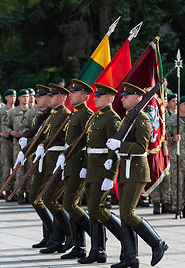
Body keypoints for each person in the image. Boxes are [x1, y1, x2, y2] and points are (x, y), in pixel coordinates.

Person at [107, 82, 168, 268]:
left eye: (126, 96)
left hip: (137, 170)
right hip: (125, 168)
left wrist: (120, 146)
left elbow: (142, 147)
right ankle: (130, 257)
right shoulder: (128, 118)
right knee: (124, 215)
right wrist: (113, 155)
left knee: (128, 212)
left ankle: (157, 243)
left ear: (137, 98)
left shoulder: (142, 119)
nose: (122, 99)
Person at [75, 83, 123, 264]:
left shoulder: (112, 119)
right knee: (92, 211)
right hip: (92, 169)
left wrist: (110, 175)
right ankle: (98, 250)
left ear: (109, 99)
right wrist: (86, 166)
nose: (94, 98)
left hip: (103, 169)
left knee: (96, 208)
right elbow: (90, 146)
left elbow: (114, 149)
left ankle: (127, 238)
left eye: (99, 96)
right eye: (95, 96)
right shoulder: (96, 117)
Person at [51, 79, 94, 260]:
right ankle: (78, 245)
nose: (71, 95)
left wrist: (84, 166)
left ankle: (97, 236)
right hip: (69, 162)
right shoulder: (74, 114)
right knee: (70, 205)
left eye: (74, 93)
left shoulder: (86, 114)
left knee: (70, 204)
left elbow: (86, 142)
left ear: (84, 96)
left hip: (79, 163)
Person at [30, 83, 72, 254]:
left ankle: (68, 236)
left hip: (57, 160)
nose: (46, 98)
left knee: (51, 200)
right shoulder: (50, 115)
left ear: (61, 98)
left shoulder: (65, 115)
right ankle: (53, 236)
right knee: (40, 198)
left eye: (50, 96)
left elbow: (65, 140)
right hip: (46, 159)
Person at [18, 84, 53, 248]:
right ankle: (49, 234)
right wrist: (25, 149)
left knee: (46, 199)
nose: (36, 98)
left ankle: (56, 234)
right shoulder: (40, 116)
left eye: (41, 96)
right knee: (36, 198)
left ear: (49, 98)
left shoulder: (55, 116)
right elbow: (36, 136)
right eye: (36, 96)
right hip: (40, 161)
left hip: (51, 161)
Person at [5, 89, 30, 204]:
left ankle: (29, 192)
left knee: (30, 168)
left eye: (27, 96)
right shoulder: (12, 112)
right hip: (17, 144)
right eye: (23, 96)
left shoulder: (32, 112)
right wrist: (11, 132)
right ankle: (19, 193)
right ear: (19, 98)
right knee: (18, 168)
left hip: (31, 144)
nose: (26, 98)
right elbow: (4, 126)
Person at [0, 89, 16, 200]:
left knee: (17, 167)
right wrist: (0, 133)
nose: (13, 98)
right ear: (6, 98)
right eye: (10, 96)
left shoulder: (18, 110)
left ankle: (16, 191)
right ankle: (7, 190)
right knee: (6, 167)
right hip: (5, 143)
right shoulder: (0, 111)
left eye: (14, 96)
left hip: (16, 142)